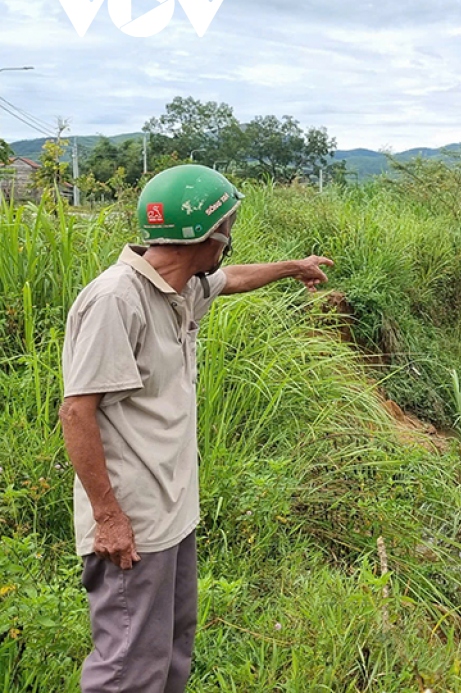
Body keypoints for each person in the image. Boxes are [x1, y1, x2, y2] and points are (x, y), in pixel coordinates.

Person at [58, 165, 333, 692]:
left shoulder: (179, 287)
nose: (230, 240)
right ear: (210, 237)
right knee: (128, 667)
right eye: (227, 227)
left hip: (173, 514)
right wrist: (109, 518)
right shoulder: (116, 299)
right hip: (133, 522)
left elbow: (233, 279)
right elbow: (77, 411)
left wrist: (293, 267)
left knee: (170, 650)